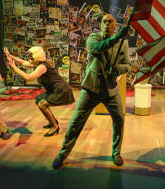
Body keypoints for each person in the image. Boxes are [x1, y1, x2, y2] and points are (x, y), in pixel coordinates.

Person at [52, 14, 129, 169]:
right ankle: (63, 152)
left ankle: (116, 152)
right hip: (91, 88)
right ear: (100, 25)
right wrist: (117, 38)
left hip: (111, 89)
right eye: (104, 22)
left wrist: (116, 68)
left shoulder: (123, 44)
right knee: (76, 122)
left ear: (115, 26)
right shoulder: (93, 38)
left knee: (119, 120)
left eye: (110, 22)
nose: (107, 24)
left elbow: (127, 65)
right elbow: (98, 48)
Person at [4, 46, 75, 136]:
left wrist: (13, 66)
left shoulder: (42, 66)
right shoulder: (38, 64)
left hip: (61, 90)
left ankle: (54, 126)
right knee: (39, 101)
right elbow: (23, 62)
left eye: (31, 56)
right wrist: (10, 56)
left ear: (36, 57)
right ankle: (53, 121)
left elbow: (28, 78)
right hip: (54, 89)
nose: (29, 58)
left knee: (42, 104)